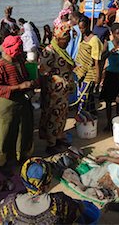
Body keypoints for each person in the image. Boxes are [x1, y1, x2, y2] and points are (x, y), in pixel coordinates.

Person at [0, 158, 83, 224]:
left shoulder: (8, 205)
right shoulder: (60, 202)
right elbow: (79, 211)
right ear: (49, 180)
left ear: (23, 179)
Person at [0, 35, 35, 167]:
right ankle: (3, 162)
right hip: (7, 103)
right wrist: (19, 87)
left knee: (24, 130)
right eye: (19, 48)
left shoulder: (20, 60)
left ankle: (22, 156)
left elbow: (25, 76)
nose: (21, 50)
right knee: (5, 133)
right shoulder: (0, 66)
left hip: (22, 100)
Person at [39, 21, 75, 154]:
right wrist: (43, 95)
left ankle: (58, 137)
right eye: (65, 39)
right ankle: (51, 144)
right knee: (53, 117)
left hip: (63, 94)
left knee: (61, 116)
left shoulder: (62, 51)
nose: (67, 42)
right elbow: (42, 74)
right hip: (53, 94)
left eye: (68, 39)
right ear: (57, 38)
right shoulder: (49, 51)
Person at [100, 23, 119, 131]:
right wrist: (109, 53)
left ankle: (118, 122)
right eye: (117, 34)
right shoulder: (108, 44)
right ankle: (108, 123)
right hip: (111, 74)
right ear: (112, 34)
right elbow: (101, 57)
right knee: (108, 101)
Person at [73, 16, 103, 116]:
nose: (81, 30)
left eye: (83, 28)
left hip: (90, 73)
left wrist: (98, 77)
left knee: (83, 96)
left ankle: (81, 115)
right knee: (88, 96)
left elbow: (96, 61)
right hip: (81, 72)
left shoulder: (94, 40)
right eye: (80, 28)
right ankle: (92, 114)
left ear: (88, 27)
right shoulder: (82, 38)